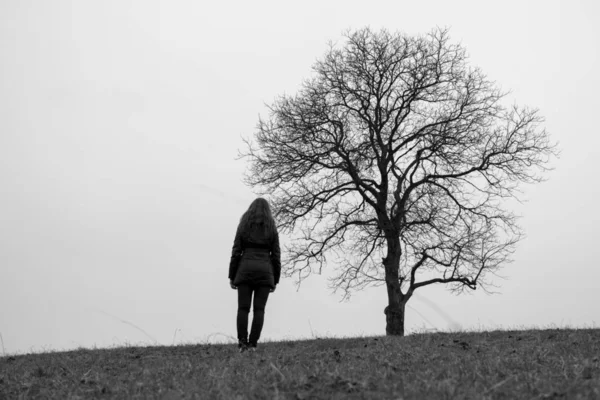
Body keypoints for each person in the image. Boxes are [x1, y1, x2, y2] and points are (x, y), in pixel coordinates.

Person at [229, 198, 281, 352]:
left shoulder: (243, 226)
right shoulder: (271, 228)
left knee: (243, 309)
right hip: (265, 272)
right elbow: (276, 256)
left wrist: (232, 276)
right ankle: (253, 344)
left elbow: (236, 252)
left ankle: (242, 343)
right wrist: (275, 280)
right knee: (259, 310)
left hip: (245, 270)